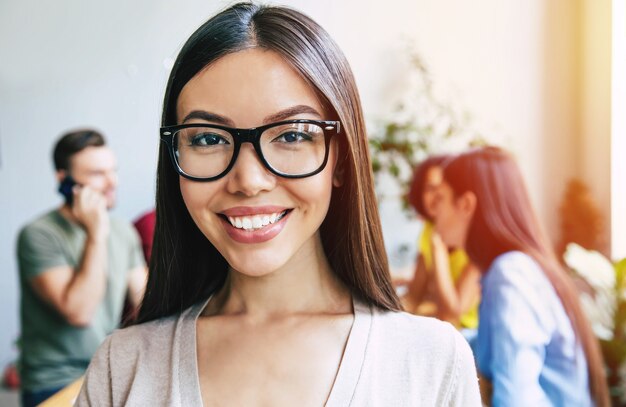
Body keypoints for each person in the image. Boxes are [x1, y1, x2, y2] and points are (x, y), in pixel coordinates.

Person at [76, 3, 481, 406]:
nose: (248, 182)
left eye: (292, 135)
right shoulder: (122, 367)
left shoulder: (432, 362)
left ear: (340, 159)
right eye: (208, 138)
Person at [436, 146, 609, 406]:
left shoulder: (510, 276)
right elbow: (490, 344)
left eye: (440, 199)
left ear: (466, 205)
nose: (433, 213)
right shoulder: (513, 270)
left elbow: (515, 400)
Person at [16, 129, 147, 407]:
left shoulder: (122, 231)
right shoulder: (38, 234)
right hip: (54, 382)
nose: (112, 182)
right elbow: (79, 311)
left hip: (107, 372)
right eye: (98, 174)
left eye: (113, 171)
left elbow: (148, 303)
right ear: (65, 181)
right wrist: (96, 233)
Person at [401, 154, 481, 335]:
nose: (436, 196)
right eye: (429, 188)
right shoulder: (428, 231)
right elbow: (414, 294)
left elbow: (454, 311)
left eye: (441, 189)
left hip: (469, 333)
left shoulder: (474, 239)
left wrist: (438, 251)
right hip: (442, 325)